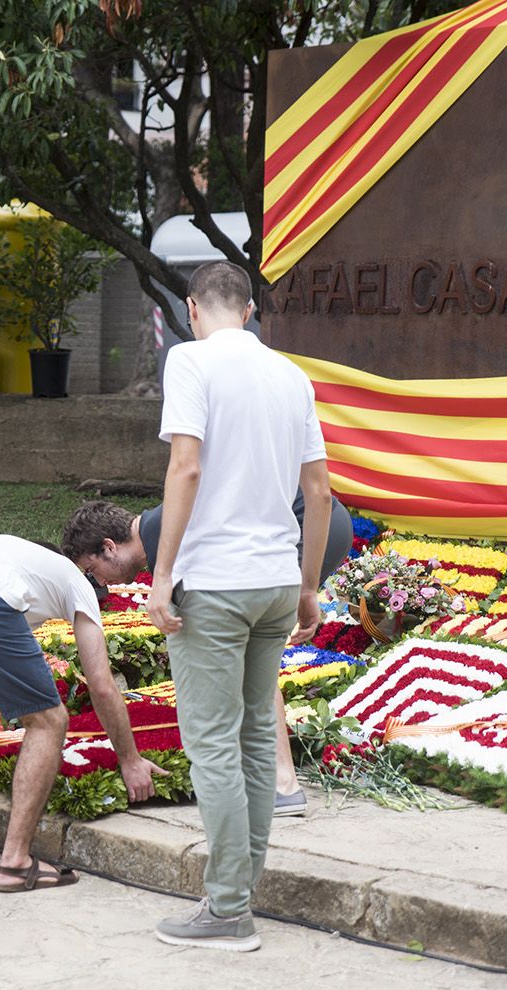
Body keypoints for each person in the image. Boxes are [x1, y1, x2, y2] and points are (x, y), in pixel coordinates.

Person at [141, 261, 331, 952]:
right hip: (277, 580)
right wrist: (308, 586)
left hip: (215, 582)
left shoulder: (191, 362)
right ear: (248, 311)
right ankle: (239, 892)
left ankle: (226, 911)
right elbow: (320, 493)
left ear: (193, 308)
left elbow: (185, 466)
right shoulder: (291, 376)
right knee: (255, 737)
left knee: (214, 744)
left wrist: (161, 577)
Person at [0, 535, 166, 890]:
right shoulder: (75, 582)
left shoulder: (12, 558)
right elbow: (101, 684)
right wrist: (130, 760)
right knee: (48, 721)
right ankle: (16, 863)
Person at [62, 488, 350, 817]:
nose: (99, 581)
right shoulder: (159, 528)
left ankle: (279, 782)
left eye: (91, 570)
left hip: (308, 529)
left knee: (250, 656)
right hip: (319, 525)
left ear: (109, 547)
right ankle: (268, 776)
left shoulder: (162, 536)